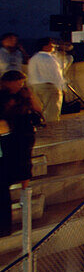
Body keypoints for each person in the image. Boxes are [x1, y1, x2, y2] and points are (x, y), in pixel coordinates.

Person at [0, 70, 43, 235]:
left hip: (24, 133)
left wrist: (30, 95)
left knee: (25, 162)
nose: (20, 85)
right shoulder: (3, 96)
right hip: (9, 135)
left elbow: (38, 109)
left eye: (22, 81)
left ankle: (25, 193)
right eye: (18, 81)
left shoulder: (25, 94)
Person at [26, 38, 64, 123]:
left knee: (40, 111)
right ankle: (51, 131)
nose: (53, 46)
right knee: (52, 112)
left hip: (35, 86)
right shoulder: (49, 58)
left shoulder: (33, 58)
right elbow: (56, 74)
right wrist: (61, 87)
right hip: (49, 86)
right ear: (45, 46)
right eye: (51, 44)